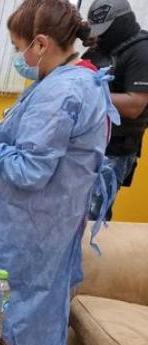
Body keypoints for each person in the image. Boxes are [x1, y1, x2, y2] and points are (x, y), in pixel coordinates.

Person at [0, 0, 119, 345]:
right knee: (12, 313)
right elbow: (41, 140)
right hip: (35, 224)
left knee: (8, 320)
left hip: (27, 229)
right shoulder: (66, 78)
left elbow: (31, 170)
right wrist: (3, 131)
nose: (16, 56)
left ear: (39, 44)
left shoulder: (63, 91)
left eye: (17, 47)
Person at [83, 0, 148, 220]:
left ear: (122, 23)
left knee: (92, 215)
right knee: (71, 210)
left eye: (104, 30)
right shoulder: (105, 45)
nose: (99, 36)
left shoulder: (142, 51)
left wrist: (85, 93)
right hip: (88, 143)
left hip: (115, 150)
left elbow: (135, 105)